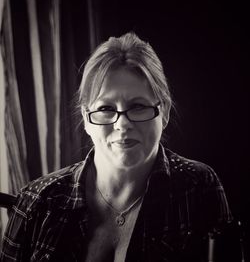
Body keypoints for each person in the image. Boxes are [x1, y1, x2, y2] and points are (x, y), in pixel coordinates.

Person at [0, 32, 232, 261]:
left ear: (165, 112)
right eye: (105, 109)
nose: (122, 124)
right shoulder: (36, 200)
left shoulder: (198, 187)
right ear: (86, 119)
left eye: (138, 106)